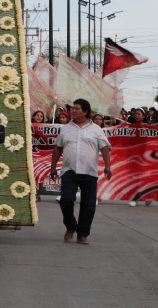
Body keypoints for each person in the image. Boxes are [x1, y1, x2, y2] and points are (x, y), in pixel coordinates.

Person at [50, 98, 112, 245]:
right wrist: (53, 167)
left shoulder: (96, 129)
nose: (73, 111)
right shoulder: (66, 128)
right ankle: (71, 226)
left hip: (89, 172)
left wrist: (108, 166)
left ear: (85, 112)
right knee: (66, 199)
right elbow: (58, 147)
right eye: (73, 108)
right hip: (69, 170)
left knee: (88, 205)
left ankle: (82, 234)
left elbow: (104, 147)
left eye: (77, 109)